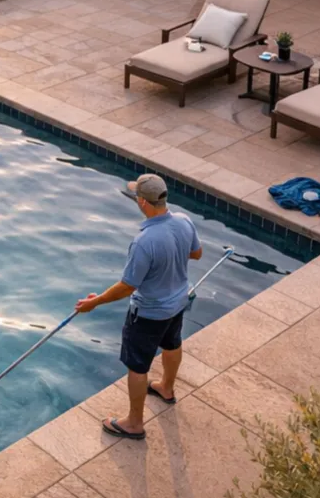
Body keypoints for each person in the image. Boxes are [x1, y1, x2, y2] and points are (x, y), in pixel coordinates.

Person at [75, 173, 202, 440]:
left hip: (148, 313)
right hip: (178, 303)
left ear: (143, 202)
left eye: (137, 197)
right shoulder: (184, 221)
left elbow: (127, 286)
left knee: (137, 366)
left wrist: (94, 303)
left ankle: (134, 423)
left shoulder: (144, 241)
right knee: (172, 343)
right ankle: (167, 388)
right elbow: (196, 253)